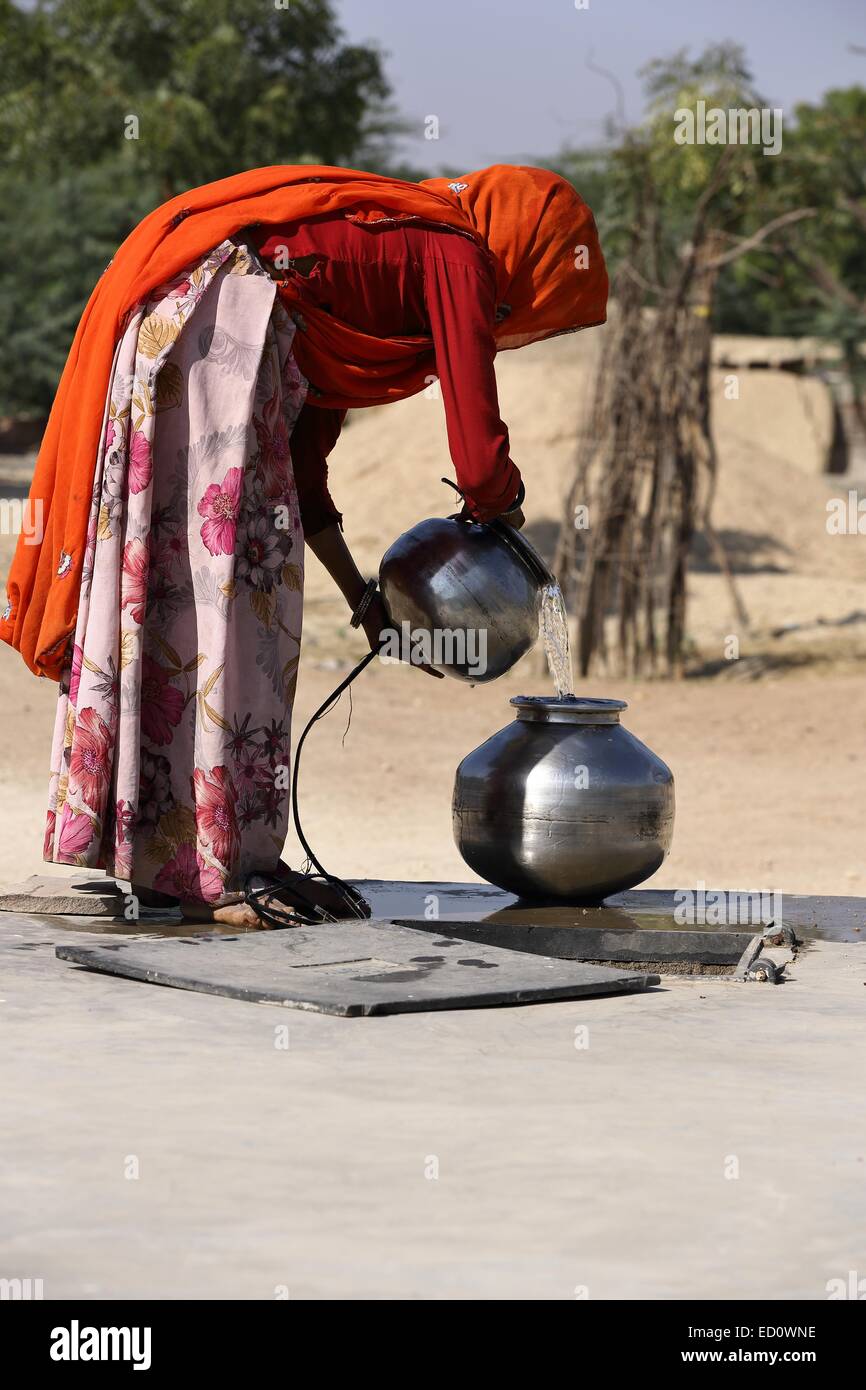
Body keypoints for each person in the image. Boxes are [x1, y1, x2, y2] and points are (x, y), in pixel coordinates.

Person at [0, 164, 607, 925]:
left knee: (175, 588)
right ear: (532, 247)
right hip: (219, 327)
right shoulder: (455, 254)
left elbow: (308, 474)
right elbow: (477, 447)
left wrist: (364, 598)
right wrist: (500, 503)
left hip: (183, 328)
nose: (521, 309)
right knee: (235, 593)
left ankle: (170, 859)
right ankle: (218, 868)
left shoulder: (353, 293)